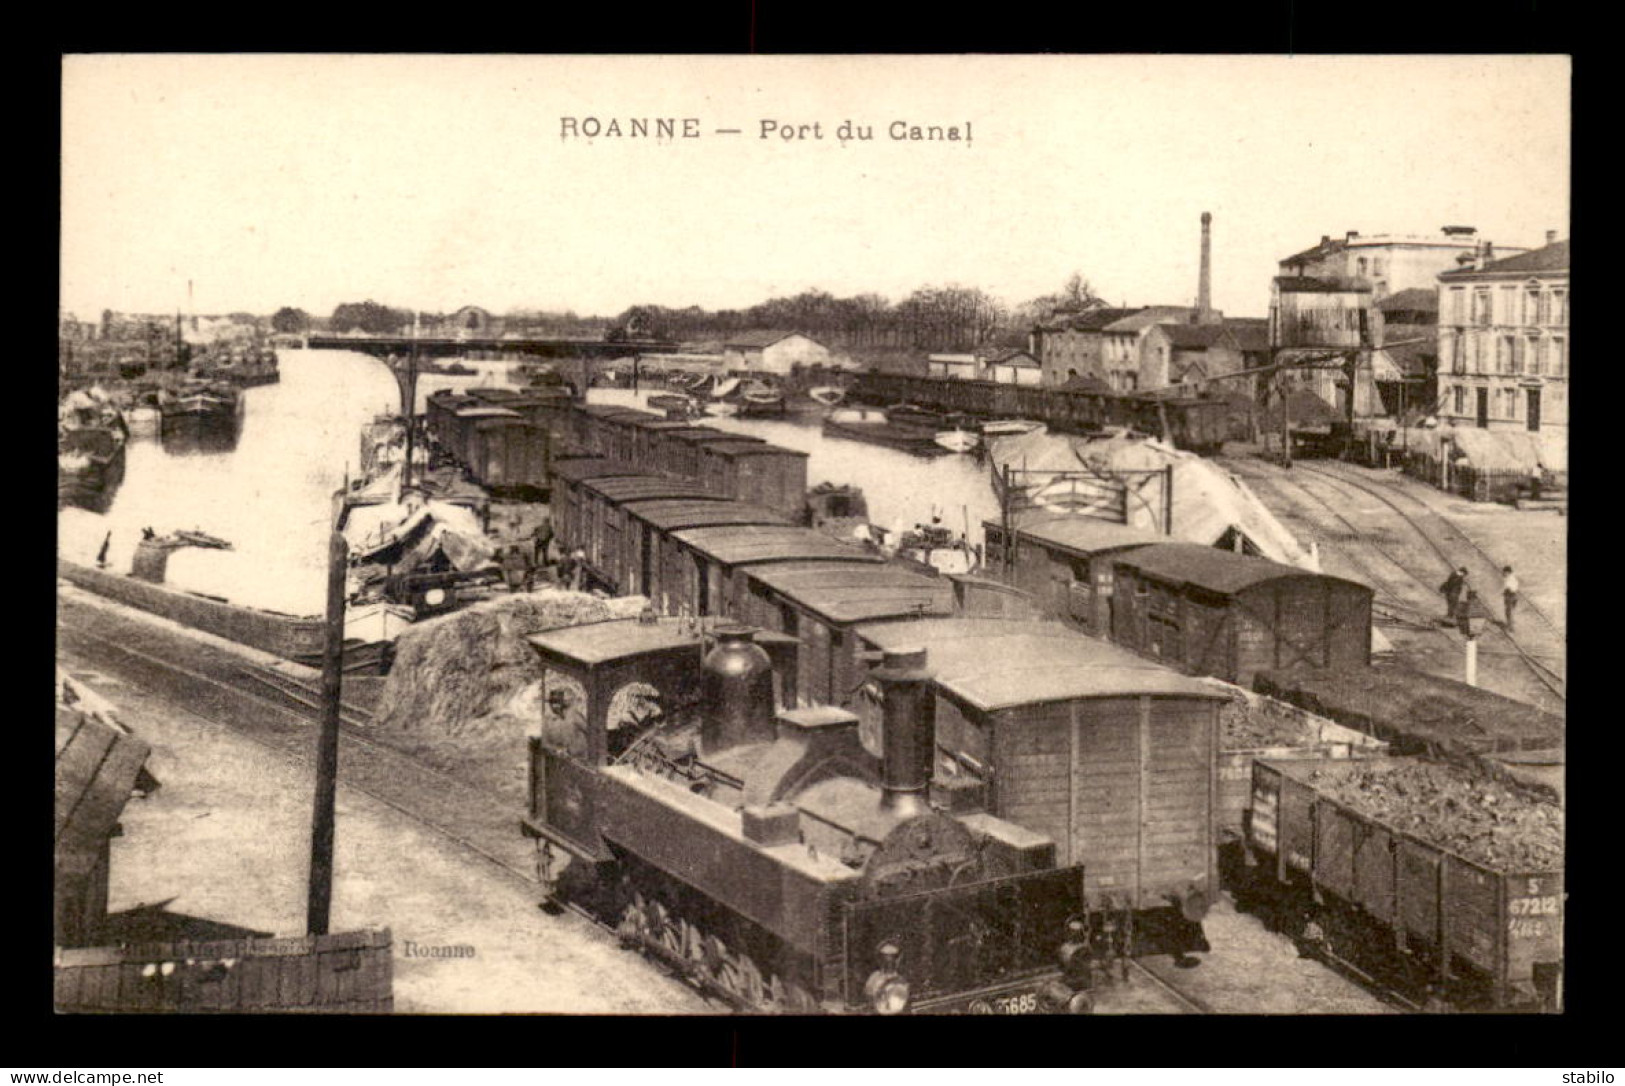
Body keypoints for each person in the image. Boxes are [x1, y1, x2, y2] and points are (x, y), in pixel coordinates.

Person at [1501, 565, 1520, 633]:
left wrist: (1504, 592)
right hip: (1514, 596)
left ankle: (1511, 627)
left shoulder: (1509, 579)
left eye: (1504, 572)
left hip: (1510, 596)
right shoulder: (1513, 578)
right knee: (1511, 611)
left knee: (1508, 612)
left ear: (1507, 572)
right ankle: (1511, 625)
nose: (1503, 573)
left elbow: (1509, 588)